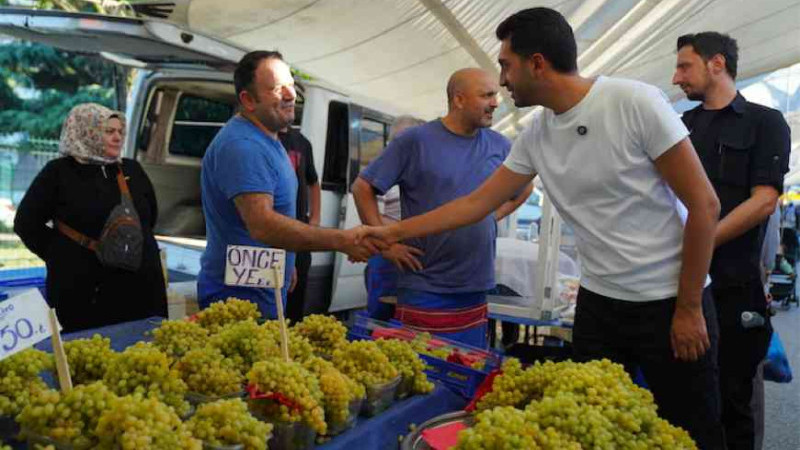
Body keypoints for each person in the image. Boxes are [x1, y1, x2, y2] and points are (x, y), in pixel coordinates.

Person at [363, 8, 725, 448]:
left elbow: (704, 206)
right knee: (592, 430)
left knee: (690, 431)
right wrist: (391, 233)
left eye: (505, 65)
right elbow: (476, 203)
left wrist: (688, 308)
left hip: (669, 302)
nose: (502, 81)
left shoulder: (634, 101)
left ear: (537, 63)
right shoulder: (537, 134)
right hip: (599, 305)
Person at [352, 68, 532, 348]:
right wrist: (384, 245)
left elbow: (524, 188)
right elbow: (362, 188)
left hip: (476, 286)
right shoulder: (415, 141)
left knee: (467, 371)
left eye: (495, 94)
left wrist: (491, 217)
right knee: (424, 371)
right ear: (458, 100)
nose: (496, 102)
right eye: (486, 95)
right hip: (425, 285)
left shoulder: (500, 145)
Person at [673, 32, 791, 450]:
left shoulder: (766, 122)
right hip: (677, 285)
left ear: (717, 64)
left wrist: (701, 244)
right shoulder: (680, 126)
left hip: (734, 288)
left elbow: (763, 202)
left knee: (734, 403)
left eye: (684, 66)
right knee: (683, 404)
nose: (675, 77)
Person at [197, 50, 378, 319]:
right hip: (238, 301)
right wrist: (341, 240)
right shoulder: (244, 146)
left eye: (291, 86)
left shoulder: (268, 137)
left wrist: (286, 260)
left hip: (263, 289)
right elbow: (263, 224)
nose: (291, 95)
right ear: (247, 100)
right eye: (277, 89)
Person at [14, 103, 167, 332]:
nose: (117, 138)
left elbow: (149, 218)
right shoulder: (59, 173)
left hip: (141, 289)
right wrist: (63, 254)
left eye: (119, 132)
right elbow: (26, 223)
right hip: (85, 293)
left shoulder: (131, 170)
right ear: (86, 132)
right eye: (108, 131)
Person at [363, 115, 424, 322]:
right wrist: (392, 243)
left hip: (416, 258)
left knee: (410, 319)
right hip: (387, 256)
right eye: (397, 141)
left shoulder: (423, 172)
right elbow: (373, 216)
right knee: (382, 316)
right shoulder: (382, 171)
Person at [278, 126, 321, 322]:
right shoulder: (262, 140)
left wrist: (314, 220)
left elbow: (313, 182)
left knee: (296, 304)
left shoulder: (302, 142)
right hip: (275, 233)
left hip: (299, 235)